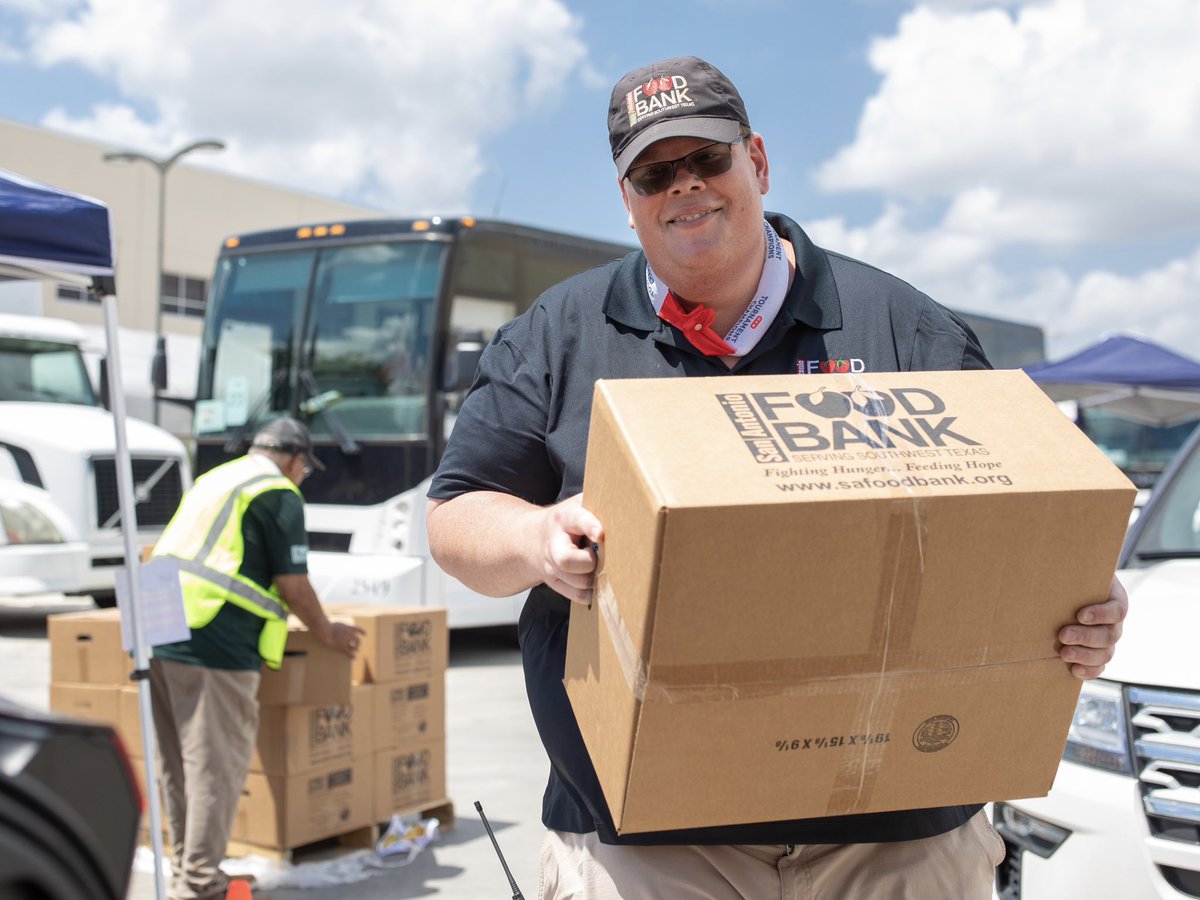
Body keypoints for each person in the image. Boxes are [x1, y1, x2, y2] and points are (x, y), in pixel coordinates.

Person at [426, 56, 1129, 900]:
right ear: (627, 197)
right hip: (649, 845)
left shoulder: (902, 326)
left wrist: (1082, 600)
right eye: (655, 173)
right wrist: (535, 538)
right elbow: (456, 515)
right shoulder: (558, 336)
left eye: (708, 160)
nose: (685, 187)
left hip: (894, 837)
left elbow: (1022, 510)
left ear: (755, 161)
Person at [149, 417, 363, 900]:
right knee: (213, 764)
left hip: (159, 624)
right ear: (294, 459)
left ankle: (188, 868)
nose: (303, 476)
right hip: (214, 638)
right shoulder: (277, 492)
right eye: (305, 468)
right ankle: (202, 882)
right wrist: (328, 633)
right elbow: (294, 587)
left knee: (178, 764)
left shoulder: (216, 478)